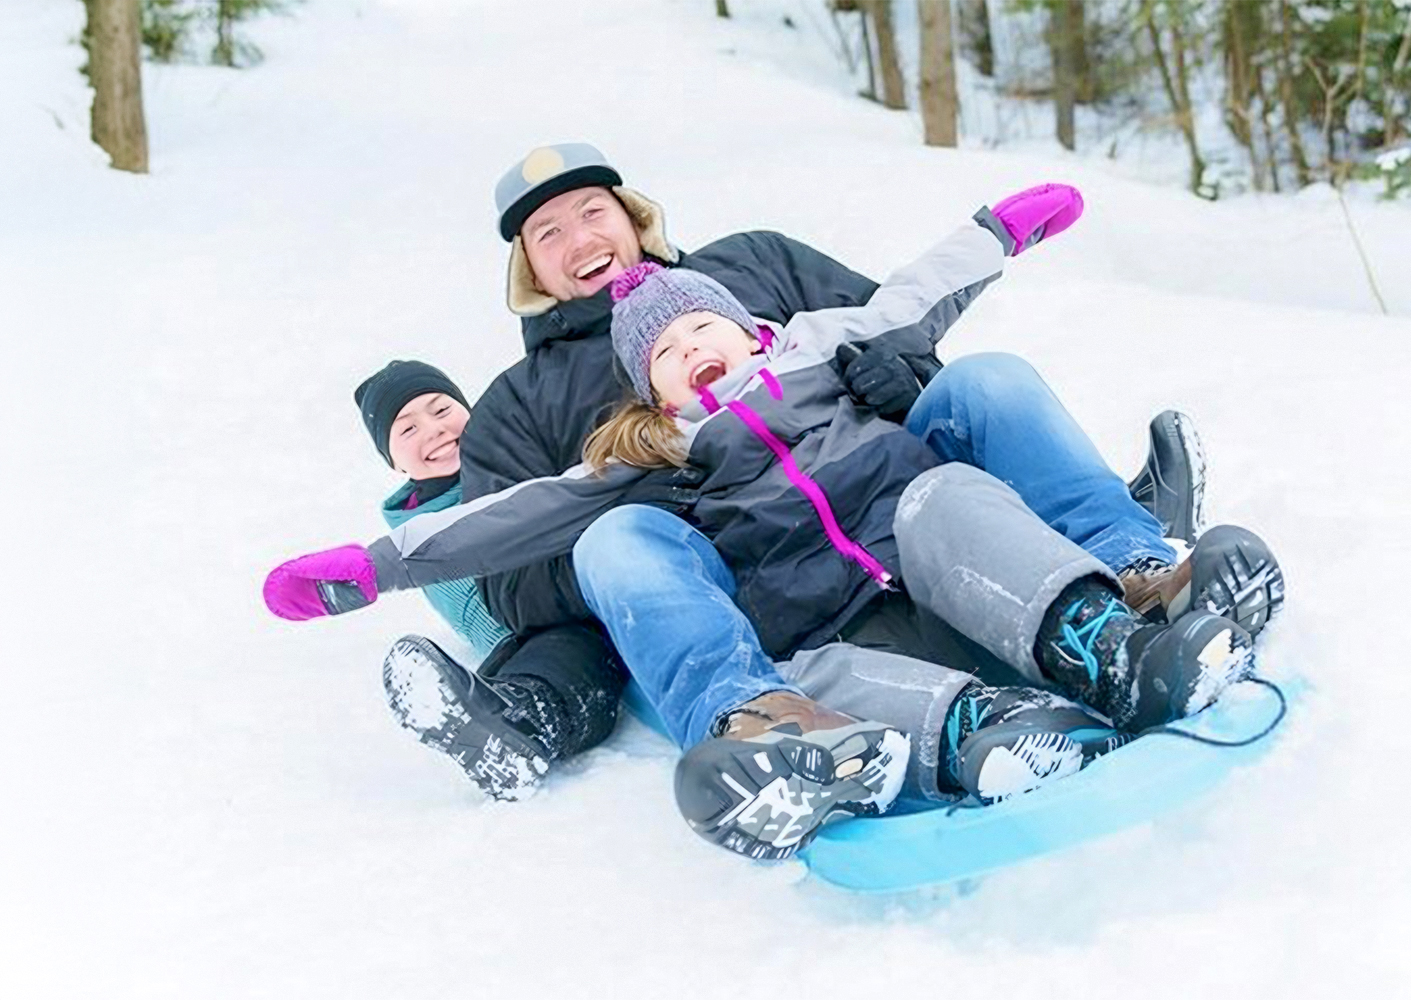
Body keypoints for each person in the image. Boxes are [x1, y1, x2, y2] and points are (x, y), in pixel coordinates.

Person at [265, 182, 1281, 858]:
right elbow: (511, 528)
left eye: (587, 212)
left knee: (958, 459)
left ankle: (1122, 614)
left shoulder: (790, 317)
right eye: (547, 232)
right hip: (798, 607)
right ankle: (947, 737)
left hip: (937, 546)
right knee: (745, 624)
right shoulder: (574, 423)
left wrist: (997, 233)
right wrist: (373, 565)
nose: (693, 348)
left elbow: (911, 300)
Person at [347, 360, 628, 799]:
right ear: (394, 464)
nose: (433, 430)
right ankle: (518, 724)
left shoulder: (517, 456)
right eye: (407, 430)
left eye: (442, 411)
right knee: (570, 657)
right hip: (547, 627)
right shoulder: (418, 534)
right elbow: (495, 622)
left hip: (607, 568)